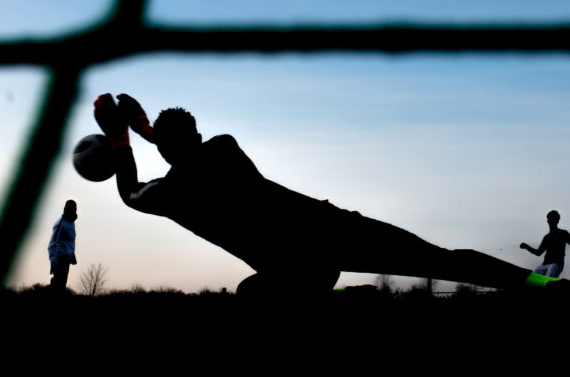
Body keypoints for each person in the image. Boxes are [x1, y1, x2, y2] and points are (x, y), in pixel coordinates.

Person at [93, 93, 534, 294]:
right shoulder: (223, 147)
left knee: (252, 297)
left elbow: (131, 192)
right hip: (332, 230)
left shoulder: (173, 194)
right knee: (445, 259)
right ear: (199, 134)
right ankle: (551, 286)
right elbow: (183, 151)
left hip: (297, 270)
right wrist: (144, 128)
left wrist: (120, 138)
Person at [519, 210, 570, 279]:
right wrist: (527, 247)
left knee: (548, 278)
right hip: (545, 264)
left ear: (557, 221)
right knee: (532, 278)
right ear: (548, 221)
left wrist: (567, 238)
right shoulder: (547, 237)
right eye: (550, 219)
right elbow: (538, 252)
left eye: (554, 219)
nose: (552, 221)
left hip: (556, 264)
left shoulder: (563, 233)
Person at [48, 200, 77, 291]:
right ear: (66, 209)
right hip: (59, 258)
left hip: (67, 258)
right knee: (58, 286)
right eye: (70, 208)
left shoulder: (71, 222)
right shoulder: (61, 224)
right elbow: (52, 245)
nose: (73, 210)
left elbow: (70, 241)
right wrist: (53, 262)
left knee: (62, 286)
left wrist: (72, 254)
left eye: (74, 208)